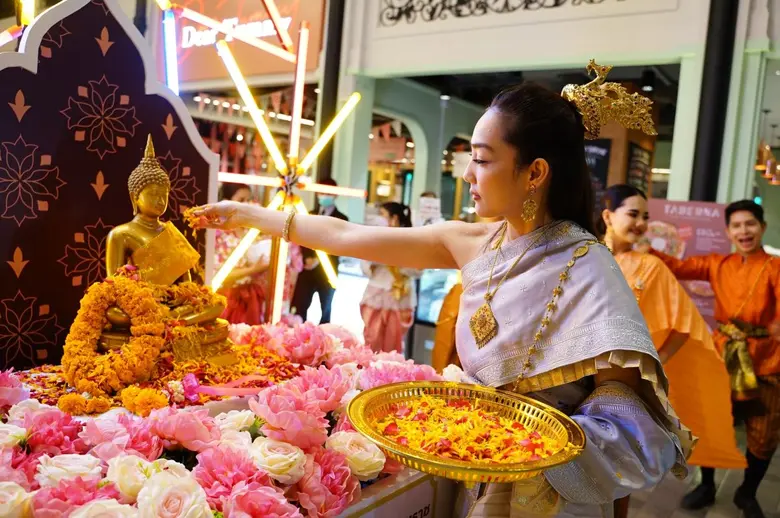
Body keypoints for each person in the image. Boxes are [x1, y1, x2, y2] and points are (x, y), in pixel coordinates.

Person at [191, 71, 689, 517]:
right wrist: (253, 216)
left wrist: (530, 449)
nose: (466, 175)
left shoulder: (589, 267)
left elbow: (627, 409)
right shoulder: (473, 240)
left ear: (534, 173)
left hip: (549, 496)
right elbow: (348, 237)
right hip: (467, 465)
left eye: (481, 160)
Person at [599, 185, 745, 494]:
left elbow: (684, 324)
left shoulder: (651, 266)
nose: (640, 223)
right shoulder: (586, 254)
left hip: (622, 377)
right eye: (633, 214)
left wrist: (657, 361)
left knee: (615, 465)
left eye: (645, 217)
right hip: (573, 365)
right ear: (608, 215)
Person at [648, 199, 780, 518]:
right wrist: (638, 244)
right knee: (711, 425)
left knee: (764, 433)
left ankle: (746, 493)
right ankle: (706, 485)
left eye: (750, 224)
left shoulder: (776, 267)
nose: (744, 231)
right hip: (721, 355)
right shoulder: (717, 263)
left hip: (767, 363)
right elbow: (675, 267)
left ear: (762, 227)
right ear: (728, 232)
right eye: (736, 226)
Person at [359, 202, 420, 353]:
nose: (379, 219)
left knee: (394, 345)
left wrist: (394, 259)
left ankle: (391, 374)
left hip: (400, 297)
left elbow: (418, 270)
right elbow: (365, 267)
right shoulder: (373, 238)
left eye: (383, 215)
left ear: (394, 218)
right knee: (371, 340)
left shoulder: (412, 240)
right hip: (376, 294)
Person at [290, 178, 348, 323]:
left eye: (327, 193)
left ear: (335, 195)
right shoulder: (309, 214)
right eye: (320, 192)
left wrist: (319, 259)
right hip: (307, 270)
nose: (323, 195)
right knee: (300, 308)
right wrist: (307, 258)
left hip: (327, 272)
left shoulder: (342, 219)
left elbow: (339, 244)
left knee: (326, 311)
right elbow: (302, 239)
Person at [214, 183, 270, 325]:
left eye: (249, 200)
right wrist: (253, 269)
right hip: (228, 298)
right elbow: (218, 275)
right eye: (241, 200)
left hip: (251, 297)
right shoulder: (219, 234)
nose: (247, 205)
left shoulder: (250, 231)